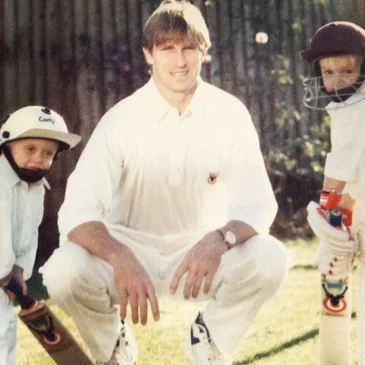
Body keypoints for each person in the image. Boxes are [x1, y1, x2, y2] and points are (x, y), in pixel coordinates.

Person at [40, 1, 289, 364]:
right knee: (64, 270)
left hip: (198, 255)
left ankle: (210, 340)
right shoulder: (122, 119)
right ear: (148, 54)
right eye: (167, 48)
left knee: (271, 258)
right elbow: (77, 211)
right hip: (128, 253)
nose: (180, 60)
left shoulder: (229, 113)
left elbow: (258, 205)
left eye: (189, 47)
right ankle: (111, 346)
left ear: (204, 53)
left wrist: (221, 239)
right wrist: (119, 255)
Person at [300, 21, 365, 365]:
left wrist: (327, 215)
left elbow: (338, 175)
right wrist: (343, 221)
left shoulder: (356, 108)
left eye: (347, 70)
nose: (338, 79)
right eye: (328, 71)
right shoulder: (349, 106)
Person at [0, 105, 81, 364]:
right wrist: (5, 271)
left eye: (48, 153)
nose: (38, 158)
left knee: (5, 332)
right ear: (7, 145)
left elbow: (30, 233)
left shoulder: (36, 187)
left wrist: (21, 271)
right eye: (30, 149)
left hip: (4, 278)